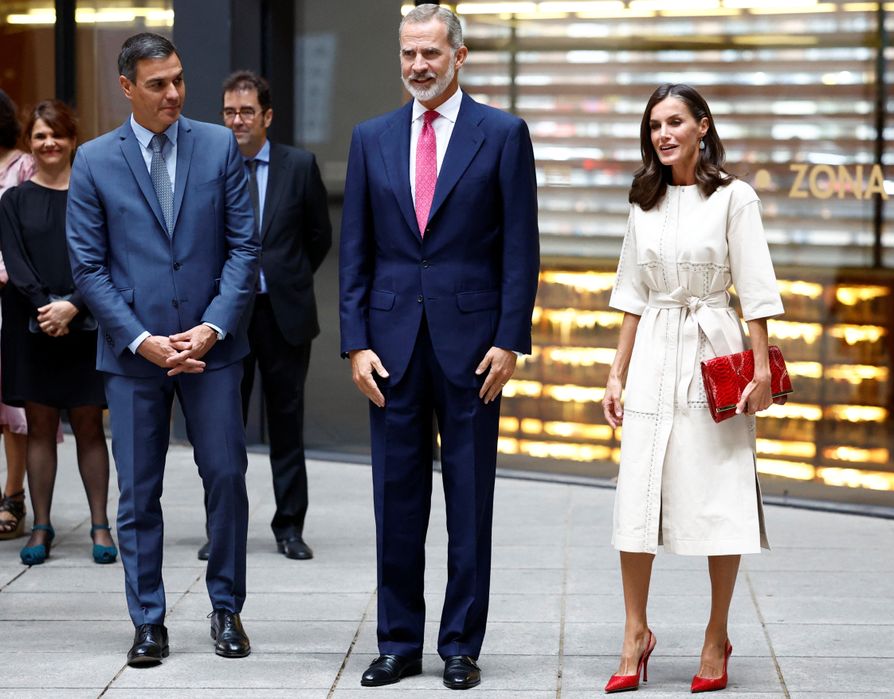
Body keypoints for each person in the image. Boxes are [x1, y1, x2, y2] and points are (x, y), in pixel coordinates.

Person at [339, 4, 539, 691]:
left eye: (430, 53)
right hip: (390, 348)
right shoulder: (372, 137)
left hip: (474, 348)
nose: (417, 66)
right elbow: (355, 252)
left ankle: (460, 644)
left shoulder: (504, 135)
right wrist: (356, 343)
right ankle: (398, 642)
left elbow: (520, 248)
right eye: (408, 55)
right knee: (395, 501)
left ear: (460, 55)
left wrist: (511, 339)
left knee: (469, 503)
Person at [65, 33, 259, 667]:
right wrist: (143, 340)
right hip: (132, 357)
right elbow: (89, 269)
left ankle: (226, 607)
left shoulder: (218, 146)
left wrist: (211, 327)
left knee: (227, 477)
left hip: (212, 350)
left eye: (178, 79)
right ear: (127, 87)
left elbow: (243, 249)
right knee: (138, 491)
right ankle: (148, 620)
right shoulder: (94, 160)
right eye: (158, 84)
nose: (174, 93)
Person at [600, 83, 784, 694]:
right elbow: (630, 294)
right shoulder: (643, 199)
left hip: (714, 351)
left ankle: (716, 634)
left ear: (702, 126)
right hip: (653, 349)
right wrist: (616, 372)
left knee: (719, 492)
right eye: (655, 125)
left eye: (675, 121)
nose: (664, 134)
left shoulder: (736, 198)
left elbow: (756, 292)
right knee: (638, 492)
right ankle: (634, 632)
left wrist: (759, 371)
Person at [196, 70, 331, 563]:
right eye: (229, 111)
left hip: (284, 315)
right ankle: (222, 529)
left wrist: (286, 278)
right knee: (222, 427)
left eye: (246, 111)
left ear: (267, 116)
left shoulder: (299, 166)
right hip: (227, 317)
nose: (237, 121)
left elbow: (318, 237)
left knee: (287, 421)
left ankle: (289, 527)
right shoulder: (209, 165)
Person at [0, 100, 116, 567]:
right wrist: (48, 307)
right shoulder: (13, 200)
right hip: (31, 325)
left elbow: (107, 257)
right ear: (30, 143)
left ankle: (100, 524)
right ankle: (42, 525)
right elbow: (15, 257)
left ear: (73, 141)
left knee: (90, 427)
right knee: (41, 426)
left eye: (58, 135)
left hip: (86, 323)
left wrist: (73, 305)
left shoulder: (94, 196)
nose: (49, 143)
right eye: (40, 136)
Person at [0, 88, 35, 540]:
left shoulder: (23, 165)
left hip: (12, 297)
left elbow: (30, 231)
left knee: (13, 402)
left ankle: (13, 496)